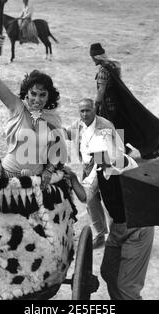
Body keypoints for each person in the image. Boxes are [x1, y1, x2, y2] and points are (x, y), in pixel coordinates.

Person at [64, 129, 155, 300]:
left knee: (127, 286)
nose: (94, 156)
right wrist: (73, 178)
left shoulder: (124, 162)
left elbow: (116, 166)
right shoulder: (99, 167)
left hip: (138, 229)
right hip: (118, 228)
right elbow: (85, 196)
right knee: (108, 272)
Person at [0, 35, 66, 189]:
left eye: (42, 95)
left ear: (48, 96)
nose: (37, 99)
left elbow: (57, 149)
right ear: (27, 93)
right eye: (33, 94)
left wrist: (49, 170)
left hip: (38, 180)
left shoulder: (53, 118)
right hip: (9, 178)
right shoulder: (17, 107)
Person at [89, 42, 159, 160]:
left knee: (108, 128)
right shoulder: (114, 65)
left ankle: (120, 151)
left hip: (109, 106)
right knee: (125, 125)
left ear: (95, 57)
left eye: (91, 57)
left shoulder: (103, 71)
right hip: (119, 102)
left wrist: (95, 107)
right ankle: (131, 149)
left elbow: (101, 91)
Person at [67, 98, 115, 249]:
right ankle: (100, 235)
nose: (85, 114)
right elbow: (67, 134)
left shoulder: (105, 125)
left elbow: (115, 151)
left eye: (88, 110)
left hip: (105, 166)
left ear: (95, 110)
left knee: (111, 204)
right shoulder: (77, 125)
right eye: (82, 111)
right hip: (87, 167)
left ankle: (116, 236)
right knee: (91, 203)